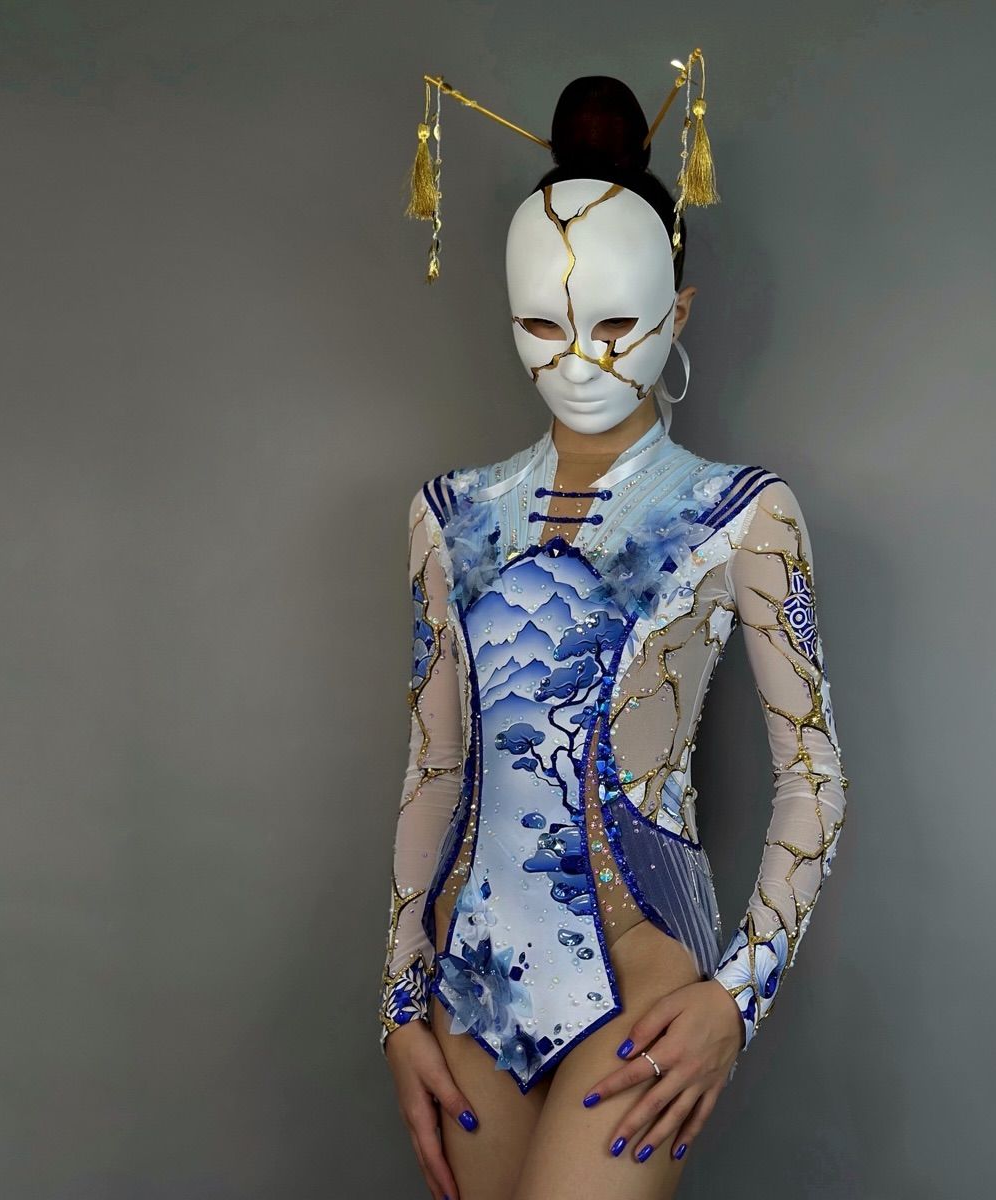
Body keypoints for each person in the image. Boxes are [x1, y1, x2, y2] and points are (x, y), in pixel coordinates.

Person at [379, 73, 849, 1200]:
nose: (578, 361)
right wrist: (397, 1003)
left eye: (616, 326)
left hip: (642, 987)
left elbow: (814, 780)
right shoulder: (448, 516)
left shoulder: (742, 514)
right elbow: (435, 771)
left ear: (677, 313)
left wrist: (738, 997)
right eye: (544, 326)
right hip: (471, 988)